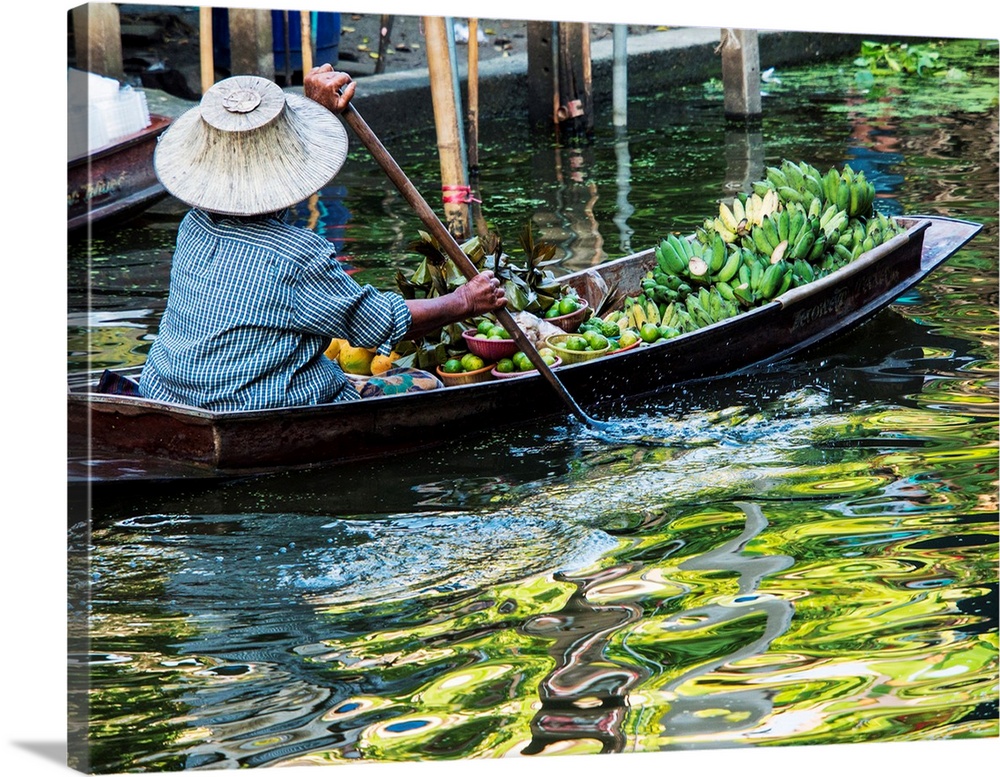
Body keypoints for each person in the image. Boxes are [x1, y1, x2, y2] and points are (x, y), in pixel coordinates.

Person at [133, 66, 505, 411]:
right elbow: (375, 322)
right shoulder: (296, 254)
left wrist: (315, 109)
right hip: (252, 407)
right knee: (421, 383)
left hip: (165, 391)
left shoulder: (193, 226)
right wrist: (464, 301)